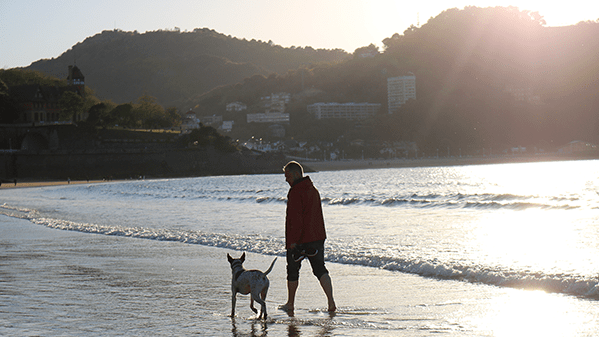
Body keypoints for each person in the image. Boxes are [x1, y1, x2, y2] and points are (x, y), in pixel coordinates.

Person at [280, 161, 336, 314]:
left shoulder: (295, 191)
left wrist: (293, 242)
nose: (286, 179)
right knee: (320, 269)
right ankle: (331, 302)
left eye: (288, 176)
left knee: (292, 270)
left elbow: (296, 219)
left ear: (297, 174)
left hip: (299, 241)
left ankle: (290, 303)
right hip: (317, 237)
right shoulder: (313, 189)